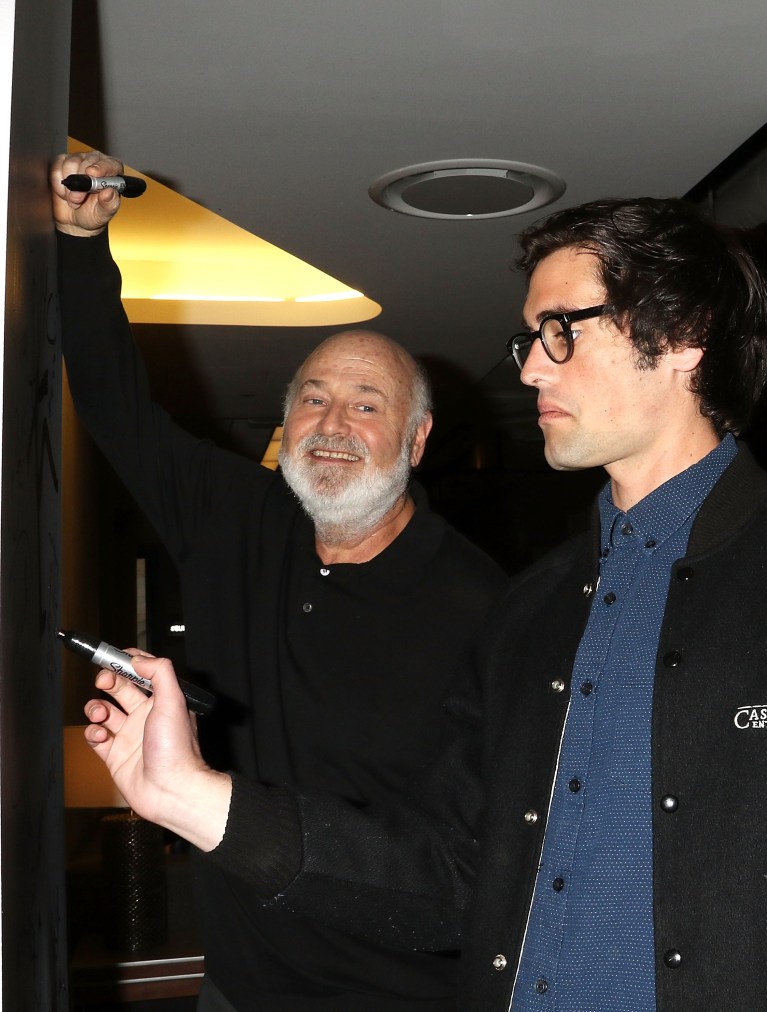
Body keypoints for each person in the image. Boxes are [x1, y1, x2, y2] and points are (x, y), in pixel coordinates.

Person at [82, 196, 767, 1009]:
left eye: (560, 332)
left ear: (683, 333)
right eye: (528, 340)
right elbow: (453, 880)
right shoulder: (532, 613)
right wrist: (194, 797)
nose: (530, 369)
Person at [52, 150, 506, 1012]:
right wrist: (81, 244)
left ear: (415, 442)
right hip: (234, 988)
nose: (333, 424)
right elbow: (116, 407)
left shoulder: (484, 609)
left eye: (368, 405)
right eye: (313, 399)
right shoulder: (239, 518)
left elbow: (463, 875)